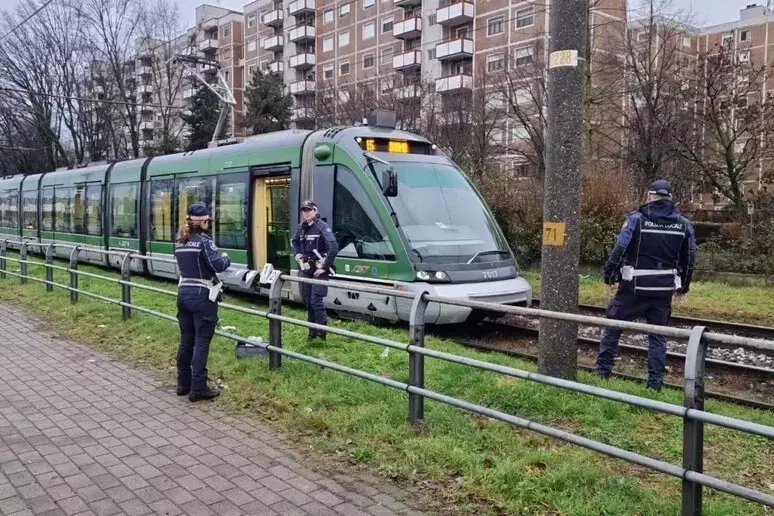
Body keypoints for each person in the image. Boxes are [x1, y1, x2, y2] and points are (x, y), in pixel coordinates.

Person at [595, 180, 697, 391]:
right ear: (670, 197)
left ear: (649, 196)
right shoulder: (684, 223)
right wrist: (683, 286)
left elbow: (620, 248)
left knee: (613, 326)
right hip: (662, 291)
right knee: (658, 336)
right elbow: (690, 256)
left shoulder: (637, 219)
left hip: (633, 288)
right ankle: (655, 385)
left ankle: (602, 374)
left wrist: (609, 274)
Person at [174, 203, 231, 401]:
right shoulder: (204, 242)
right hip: (202, 295)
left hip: (183, 293)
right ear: (204, 221)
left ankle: (183, 384)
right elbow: (218, 264)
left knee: (186, 340)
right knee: (201, 342)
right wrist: (225, 257)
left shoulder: (181, 241)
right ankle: (198, 388)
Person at [291, 200, 339, 341]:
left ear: (315, 211)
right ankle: (312, 333)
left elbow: (333, 247)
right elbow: (294, 242)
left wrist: (323, 267)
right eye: (304, 210)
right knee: (308, 302)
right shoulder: (301, 227)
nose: (306, 213)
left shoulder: (322, 226)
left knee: (316, 301)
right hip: (305, 269)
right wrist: (297, 253)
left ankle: (322, 333)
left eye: (309, 210)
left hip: (319, 270)